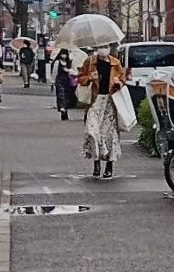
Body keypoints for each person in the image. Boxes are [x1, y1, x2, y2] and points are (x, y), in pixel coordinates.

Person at [79, 45, 126, 178]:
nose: (103, 49)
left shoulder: (115, 63)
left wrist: (118, 83)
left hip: (110, 102)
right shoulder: (90, 61)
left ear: (109, 48)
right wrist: (89, 77)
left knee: (109, 135)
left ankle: (109, 165)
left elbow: (123, 79)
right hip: (94, 101)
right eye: (101, 46)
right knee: (92, 131)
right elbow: (80, 78)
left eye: (105, 47)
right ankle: (96, 161)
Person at [53, 49, 76, 121]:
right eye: (62, 54)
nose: (64, 55)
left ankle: (65, 112)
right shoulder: (57, 62)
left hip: (68, 81)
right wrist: (52, 81)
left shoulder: (69, 62)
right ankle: (62, 108)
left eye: (65, 54)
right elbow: (54, 72)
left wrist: (70, 71)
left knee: (67, 96)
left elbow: (74, 71)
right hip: (59, 80)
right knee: (61, 95)